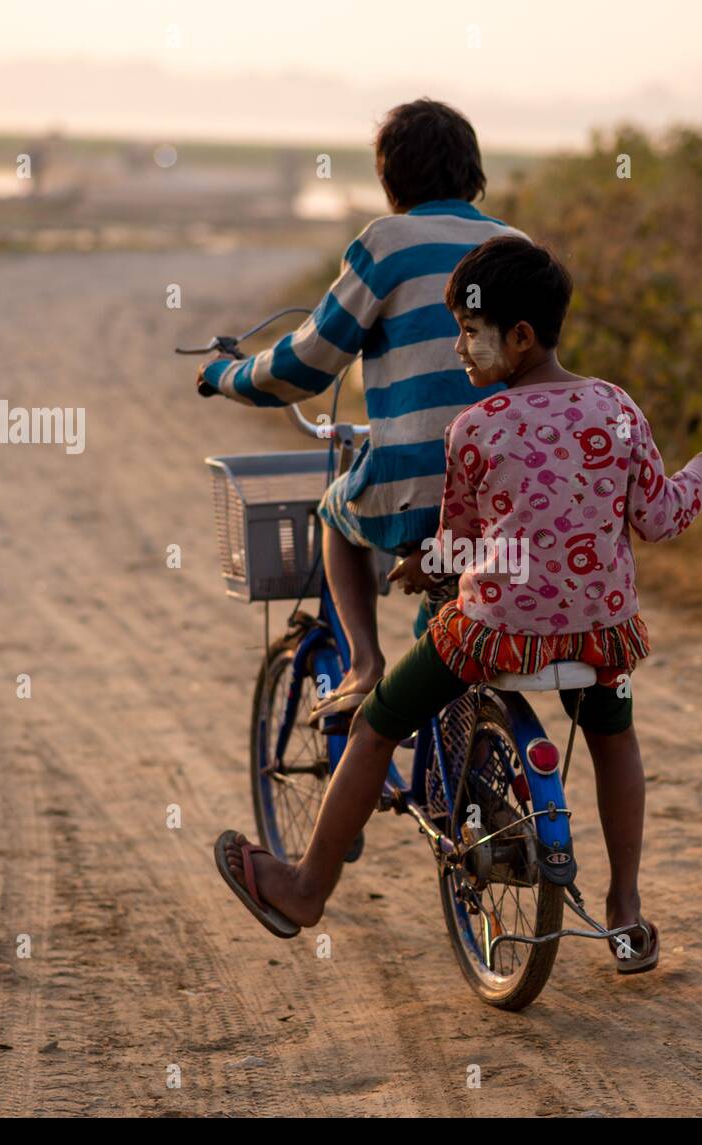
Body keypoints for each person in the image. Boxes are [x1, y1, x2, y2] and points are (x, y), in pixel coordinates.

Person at [215, 237, 702, 974]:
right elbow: (659, 519)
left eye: (470, 333)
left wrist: (418, 563)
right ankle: (625, 913)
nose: (460, 350)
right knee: (614, 740)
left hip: (497, 638)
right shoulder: (617, 408)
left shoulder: (476, 428)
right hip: (601, 641)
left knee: (376, 725)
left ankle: (307, 889)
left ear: (521, 337)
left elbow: (460, 547)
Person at [199, 99, 524, 723]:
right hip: (512, 493)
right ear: (474, 174)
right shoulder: (512, 243)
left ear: (390, 179)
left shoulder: (386, 242)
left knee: (333, 514)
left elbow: (306, 363)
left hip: (423, 486)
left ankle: (364, 664)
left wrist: (226, 376)